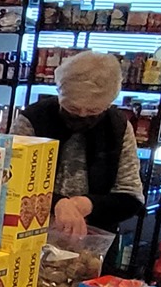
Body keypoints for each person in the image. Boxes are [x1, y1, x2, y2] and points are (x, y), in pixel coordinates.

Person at [13, 50, 146, 239]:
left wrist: (87, 204)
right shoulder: (33, 119)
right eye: (73, 108)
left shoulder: (118, 127)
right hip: (29, 232)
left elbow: (131, 198)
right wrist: (56, 202)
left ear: (109, 102)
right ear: (60, 92)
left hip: (91, 238)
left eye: (93, 110)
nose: (82, 115)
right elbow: (10, 182)